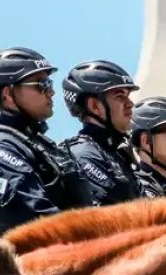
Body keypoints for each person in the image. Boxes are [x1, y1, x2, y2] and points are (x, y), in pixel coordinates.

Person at [0, 47, 93, 236]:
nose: (51, 92)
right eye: (42, 84)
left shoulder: (41, 145)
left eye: (49, 83)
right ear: (8, 94)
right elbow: (36, 220)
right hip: (38, 260)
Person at [60, 60, 142, 205]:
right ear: (94, 106)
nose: (130, 104)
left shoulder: (116, 152)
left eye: (128, 96)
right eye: (120, 96)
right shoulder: (83, 153)